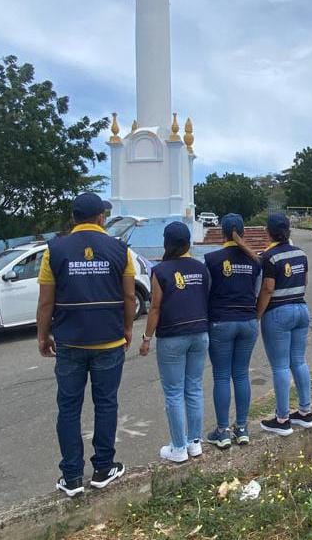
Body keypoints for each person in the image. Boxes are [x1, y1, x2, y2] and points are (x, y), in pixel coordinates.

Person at [36, 192, 137, 497]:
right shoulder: (121, 250)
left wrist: (43, 335)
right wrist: (129, 328)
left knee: (68, 407)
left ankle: (71, 477)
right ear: (101, 217)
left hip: (69, 342)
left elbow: (45, 302)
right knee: (106, 403)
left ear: (73, 218)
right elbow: (130, 297)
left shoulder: (53, 251)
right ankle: (104, 468)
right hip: (109, 340)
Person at [139, 221, 210, 463]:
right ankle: (194, 443)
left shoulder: (160, 271)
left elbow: (155, 307)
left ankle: (178, 448)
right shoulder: (201, 269)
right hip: (200, 333)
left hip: (172, 336)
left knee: (173, 393)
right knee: (194, 388)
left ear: (167, 242)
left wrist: (146, 338)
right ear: (188, 242)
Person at [203, 213, 262, 449]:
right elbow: (257, 292)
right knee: (241, 374)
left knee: (221, 376)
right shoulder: (254, 262)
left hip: (221, 322)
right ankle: (242, 428)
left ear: (222, 233)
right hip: (248, 321)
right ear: (244, 232)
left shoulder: (211, 259)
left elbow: (206, 293)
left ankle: (222, 431)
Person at [257, 213, 312, 435]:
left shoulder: (269, 257)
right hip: (301, 309)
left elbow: (268, 288)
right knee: (298, 361)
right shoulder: (301, 253)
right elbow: (305, 280)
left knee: (280, 366)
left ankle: (282, 419)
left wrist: (258, 313)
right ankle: (305, 412)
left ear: (268, 232)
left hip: (278, 313)